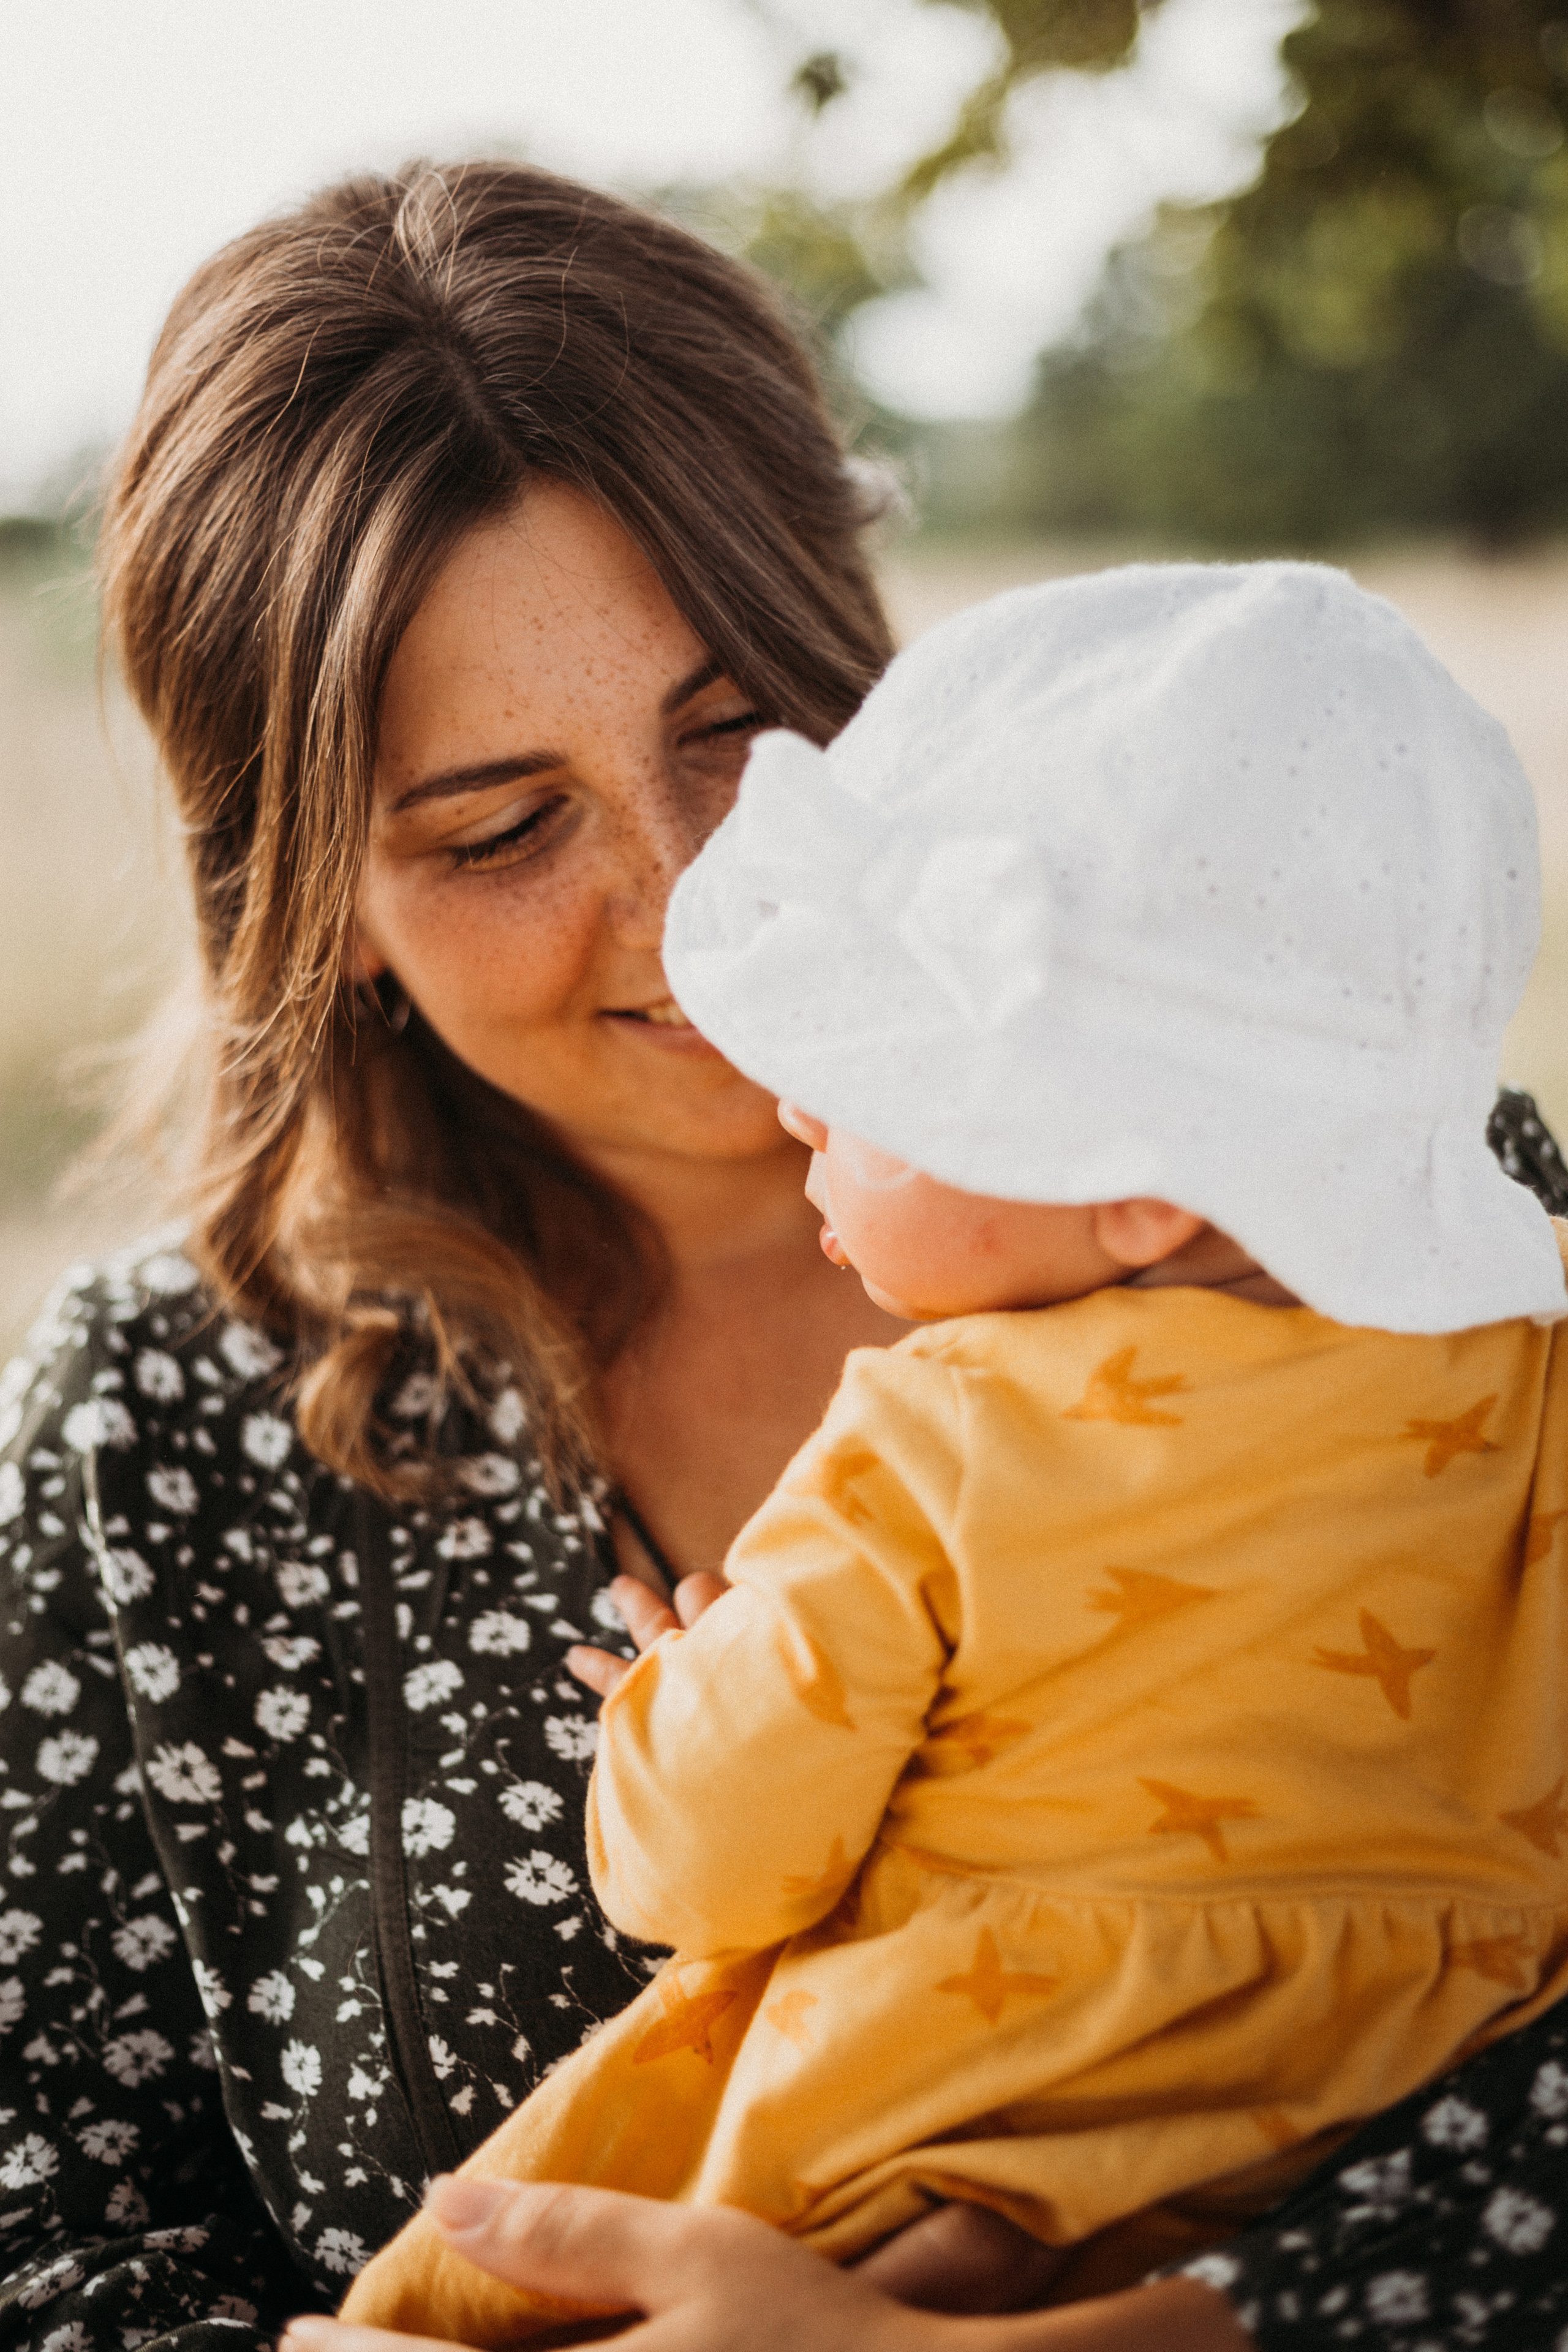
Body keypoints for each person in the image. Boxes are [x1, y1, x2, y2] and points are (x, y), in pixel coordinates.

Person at [0, 159, 1564, 2352]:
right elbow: (43, 2210)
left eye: (738, 727)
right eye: (499, 826)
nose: (691, 909)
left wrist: (1148, 2344)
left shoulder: (1380, 1208)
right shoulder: (160, 1422)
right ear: (309, 895)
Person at [338, 565, 1568, 2347]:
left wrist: (670, 1705)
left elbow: (708, 1867)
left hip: (946, 2092)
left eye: (871, 1082)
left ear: (1145, 1179)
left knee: (479, 2287)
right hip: (1366, 2064)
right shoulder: (1523, 1338)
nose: (795, 1104)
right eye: (507, 824)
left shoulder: (937, 1431)